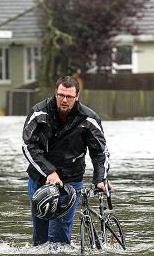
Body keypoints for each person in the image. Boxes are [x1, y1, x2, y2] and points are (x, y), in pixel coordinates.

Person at [22, 76, 110, 246]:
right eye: (61, 95)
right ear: (55, 93)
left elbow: (100, 152)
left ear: (77, 96)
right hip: (40, 180)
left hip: (70, 182)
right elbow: (28, 146)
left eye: (69, 97)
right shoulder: (39, 113)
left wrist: (100, 179)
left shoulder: (88, 119)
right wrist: (50, 172)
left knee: (59, 241)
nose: (64, 100)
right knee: (40, 240)